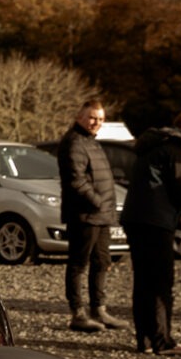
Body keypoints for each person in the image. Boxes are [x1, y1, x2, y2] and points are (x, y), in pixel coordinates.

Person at [124, 109, 181, 355]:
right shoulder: (179, 148)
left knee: (142, 281)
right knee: (161, 281)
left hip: (135, 216)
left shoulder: (152, 144)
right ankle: (163, 341)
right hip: (158, 219)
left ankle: (145, 340)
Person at [58, 98, 120, 333]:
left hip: (101, 215)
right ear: (80, 117)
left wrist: (105, 207)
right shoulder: (74, 143)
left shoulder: (91, 142)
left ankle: (99, 309)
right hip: (84, 215)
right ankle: (78, 313)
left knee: (102, 262)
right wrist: (97, 202)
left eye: (101, 119)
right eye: (93, 117)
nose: (97, 123)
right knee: (78, 264)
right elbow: (77, 180)